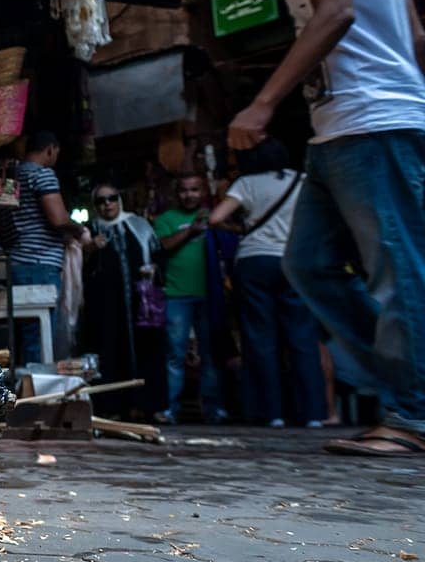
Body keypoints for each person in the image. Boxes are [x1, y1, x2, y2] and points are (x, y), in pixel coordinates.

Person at [230, 0, 425, 455]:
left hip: (371, 124)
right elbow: (416, 36)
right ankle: (408, 383)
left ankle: (414, 414)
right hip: (341, 131)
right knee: (308, 263)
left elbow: (335, 12)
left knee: (397, 268)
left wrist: (262, 104)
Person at [209, 139, 325, 427]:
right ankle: (311, 414)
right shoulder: (302, 181)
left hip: (255, 261)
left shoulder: (246, 183)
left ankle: (270, 412)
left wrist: (239, 228)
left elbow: (215, 218)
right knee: (302, 337)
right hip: (293, 260)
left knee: (261, 337)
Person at [0, 130, 89, 364]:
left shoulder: (10, 178)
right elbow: (58, 218)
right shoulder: (43, 174)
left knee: (22, 336)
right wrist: (80, 230)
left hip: (14, 263)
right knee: (39, 335)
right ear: (50, 150)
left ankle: (21, 393)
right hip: (39, 265)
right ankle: (35, 396)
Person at [81, 183, 165, 419]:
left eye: (112, 198)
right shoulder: (92, 230)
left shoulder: (139, 225)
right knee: (110, 352)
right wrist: (90, 249)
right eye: (101, 201)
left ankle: (148, 406)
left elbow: (157, 254)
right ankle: (113, 408)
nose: (107, 204)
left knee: (146, 351)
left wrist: (153, 271)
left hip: (141, 303)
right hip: (107, 307)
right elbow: (83, 269)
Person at [152, 174, 231, 424]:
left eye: (195, 190)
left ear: (203, 191)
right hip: (176, 295)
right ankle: (171, 409)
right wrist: (191, 231)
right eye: (185, 190)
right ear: (178, 193)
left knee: (210, 354)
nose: (190, 195)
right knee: (175, 354)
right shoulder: (167, 219)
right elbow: (161, 246)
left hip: (209, 295)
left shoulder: (215, 217)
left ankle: (213, 408)